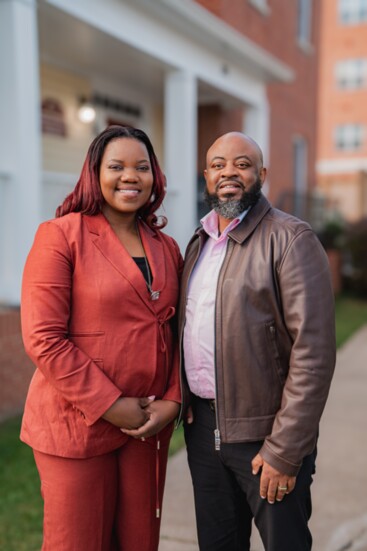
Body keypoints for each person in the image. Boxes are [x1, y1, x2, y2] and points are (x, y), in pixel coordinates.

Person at [20, 125, 183, 551]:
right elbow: (44, 338)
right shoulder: (61, 235)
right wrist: (111, 405)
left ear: (155, 178)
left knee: (139, 542)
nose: (130, 176)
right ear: (95, 173)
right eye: (117, 166)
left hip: (147, 427)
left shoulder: (166, 247)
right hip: (76, 423)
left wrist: (173, 398)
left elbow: (182, 329)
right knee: (79, 543)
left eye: (142, 167)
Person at [179, 132, 336, 551]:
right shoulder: (198, 243)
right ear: (207, 177)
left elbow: (314, 355)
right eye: (217, 165)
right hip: (205, 433)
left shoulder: (291, 239)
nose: (228, 172)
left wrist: (285, 450)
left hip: (267, 435)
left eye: (242, 164)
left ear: (262, 174)